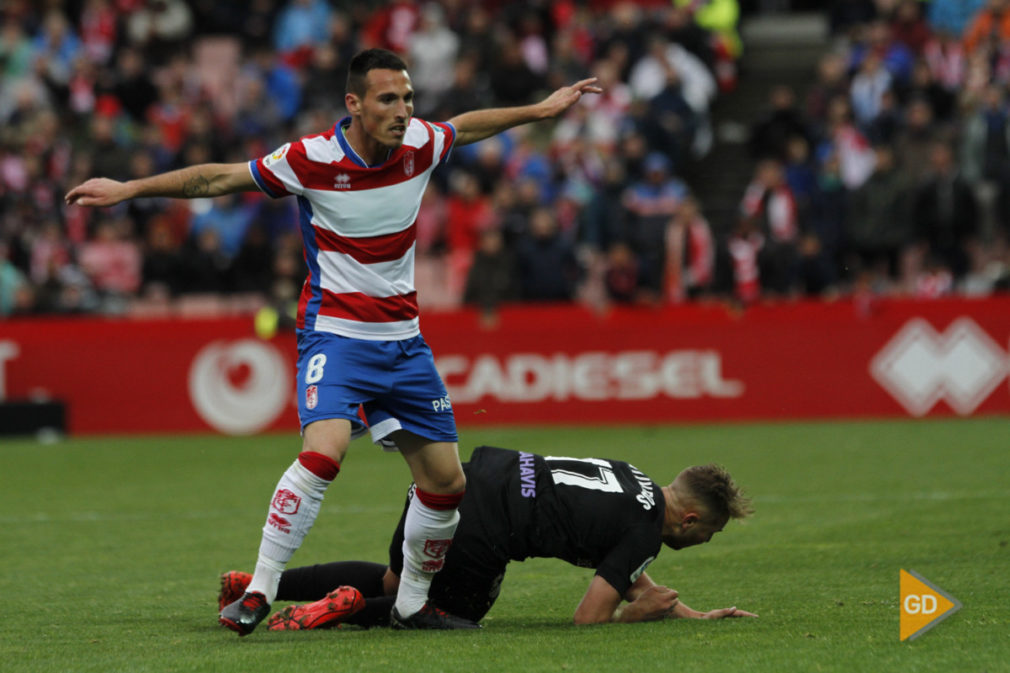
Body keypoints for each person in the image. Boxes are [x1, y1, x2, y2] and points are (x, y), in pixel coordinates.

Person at [64, 48, 602, 635]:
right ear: (355, 104)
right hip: (337, 336)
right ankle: (260, 589)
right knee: (324, 453)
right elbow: (217, 177)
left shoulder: (421, 143)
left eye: (408, 98)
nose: (403, 111)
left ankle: (412, 606)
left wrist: (541, 111)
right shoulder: (309, 158)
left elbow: (468, 125)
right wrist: (130, 189)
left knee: (447, 484)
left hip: (403, 343)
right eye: (388, 100)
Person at [217, 446, 756, 630]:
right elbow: (588, 618)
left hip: (451, 481)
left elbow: (626, 566)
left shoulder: (634, 481)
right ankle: (349, 607)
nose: (707, 540)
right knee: (446, 616)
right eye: (710, 531)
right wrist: (634, 617)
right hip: (482, 530)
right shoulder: (645, 531)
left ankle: (260, 585)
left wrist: (691, 613)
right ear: (688, 521)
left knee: (396, 579)